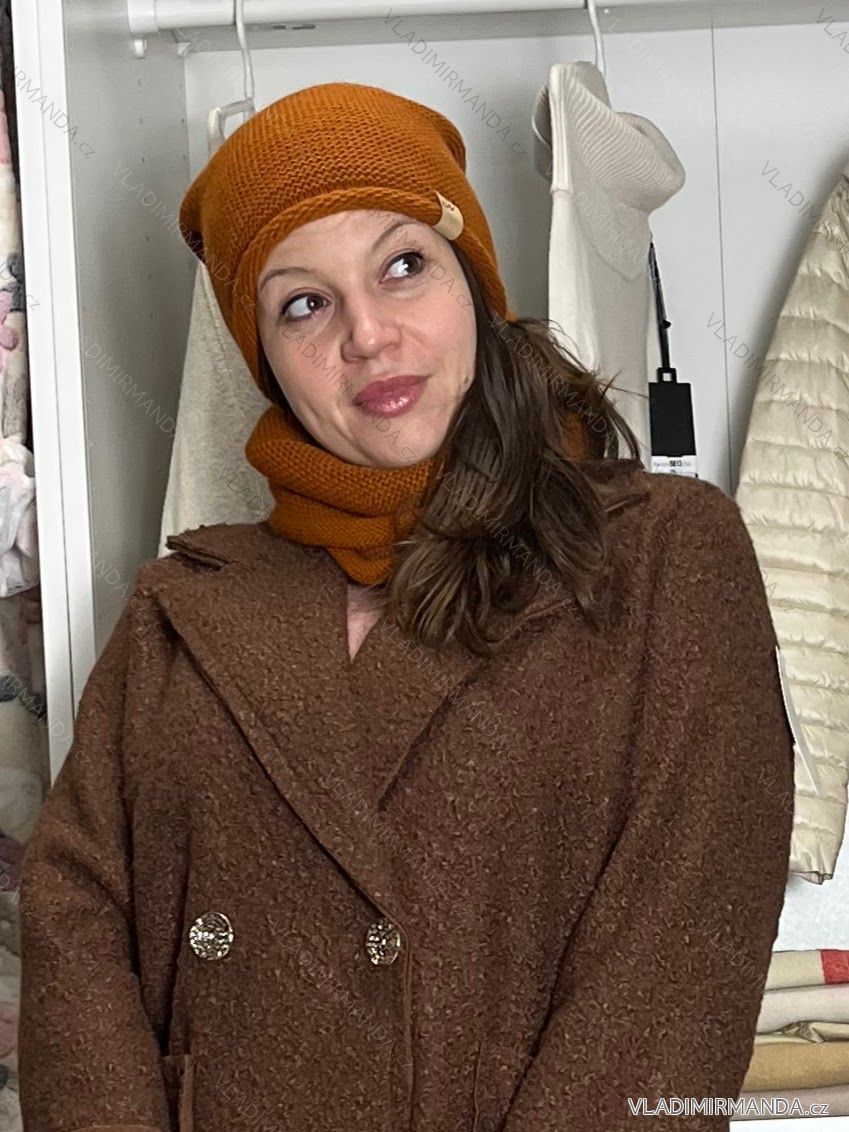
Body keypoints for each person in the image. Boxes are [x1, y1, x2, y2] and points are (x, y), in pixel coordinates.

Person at [17, 82, 795, 1132]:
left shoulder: (663, 556)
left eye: (402, 266)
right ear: (263, 356)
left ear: (471, 278)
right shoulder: (179, 607)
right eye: (304, 303)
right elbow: (74, 924)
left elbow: (678, 963)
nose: (368, 336)